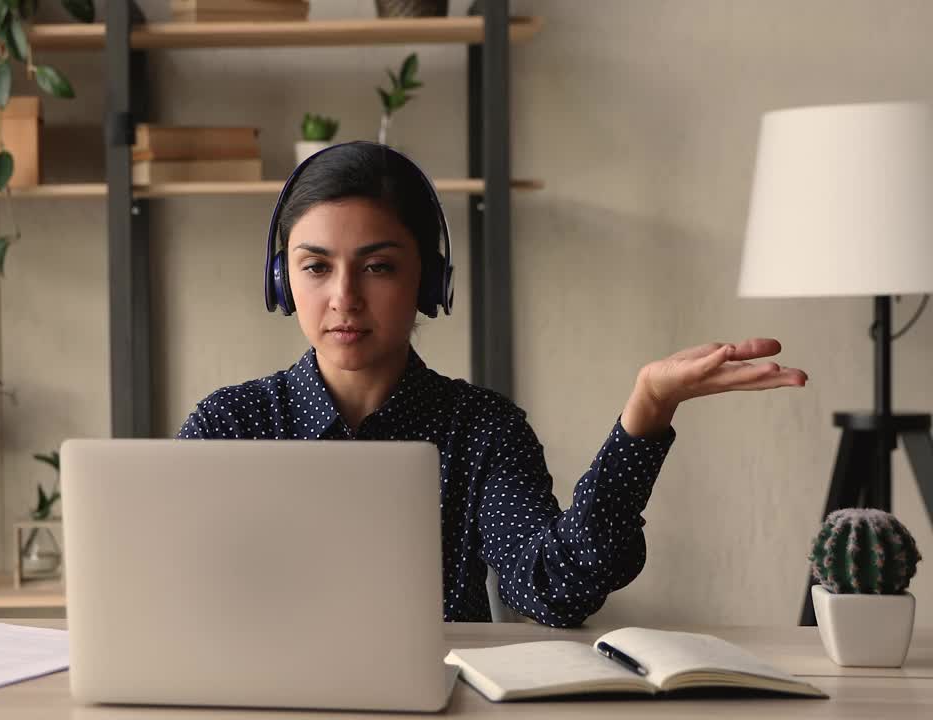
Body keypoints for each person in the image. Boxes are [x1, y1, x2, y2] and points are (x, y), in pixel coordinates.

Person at [176, 142, 807, 627]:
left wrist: (648, 409)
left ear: (428, 282)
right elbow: (175, 592)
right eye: (315, 266)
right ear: (283, 281)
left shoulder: (481, 430)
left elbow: (555, 590)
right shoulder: (229, 424)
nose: (344, 298)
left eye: (378, 266)